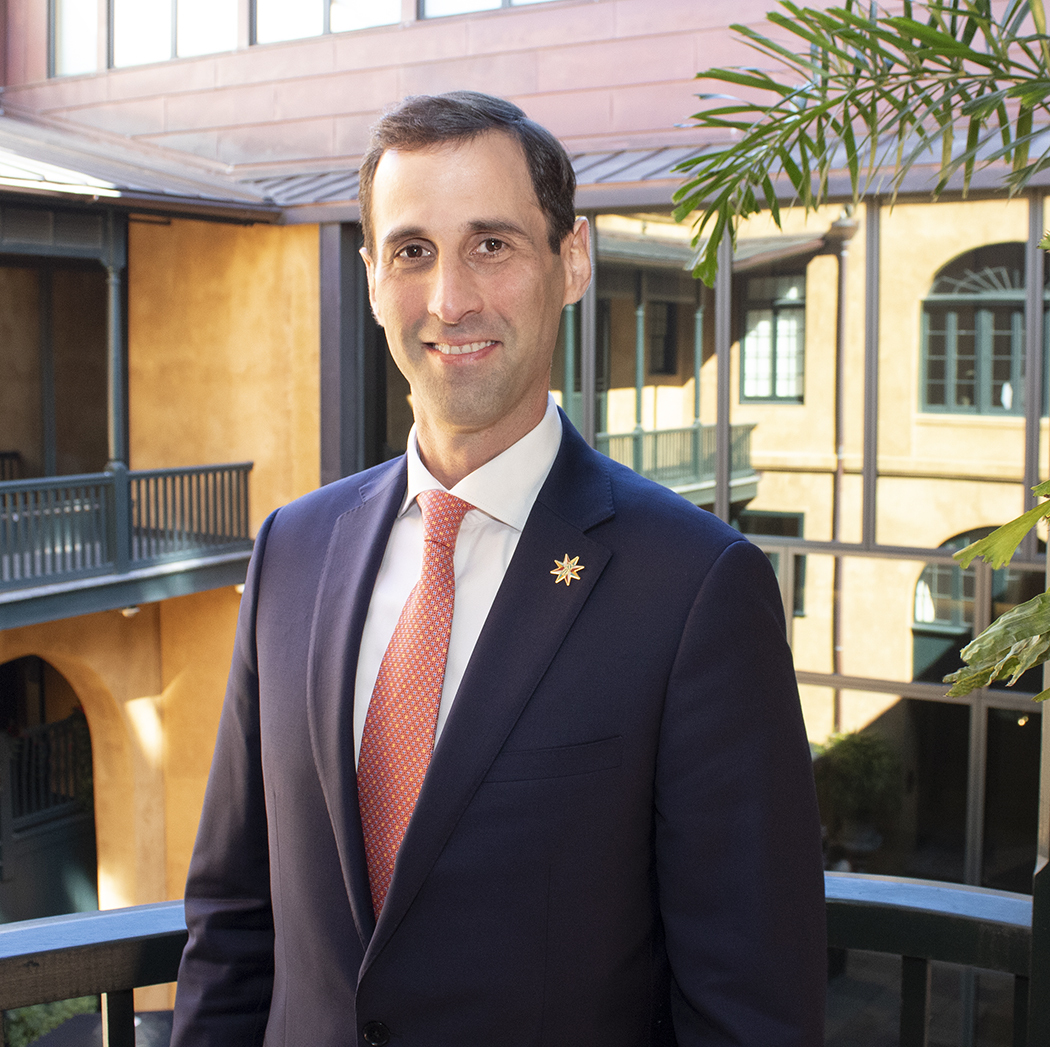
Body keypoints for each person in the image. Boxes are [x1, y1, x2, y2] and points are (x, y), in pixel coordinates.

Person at [170, 90, 826, 1047]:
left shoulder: (694, 587)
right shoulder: (291, 552)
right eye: (413, 251)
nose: (450, 301)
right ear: (370, 277)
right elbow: (233, 925)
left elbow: (749, 1005)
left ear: (571, 261)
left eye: (491, 244)